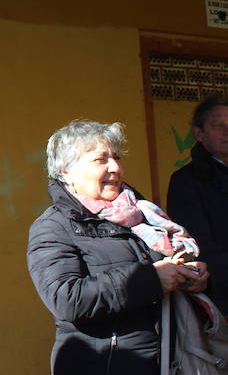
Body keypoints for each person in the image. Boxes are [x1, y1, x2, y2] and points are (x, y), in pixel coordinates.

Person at [27, 120, 210, 374]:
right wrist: (152, 280)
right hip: (105, 364)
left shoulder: (141, 214)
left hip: (167, 361)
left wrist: (188, 274)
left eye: (116, 157)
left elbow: (164, 271)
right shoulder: (54, 226)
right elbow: (66, 299)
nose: (115, 167)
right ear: (66, 171)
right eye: (100, 160)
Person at [167, 95, 228, 315]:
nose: (226, 131)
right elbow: (199, 246)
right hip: (220, 299)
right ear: (199, 134)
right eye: (218, 125)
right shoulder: (186, 181)